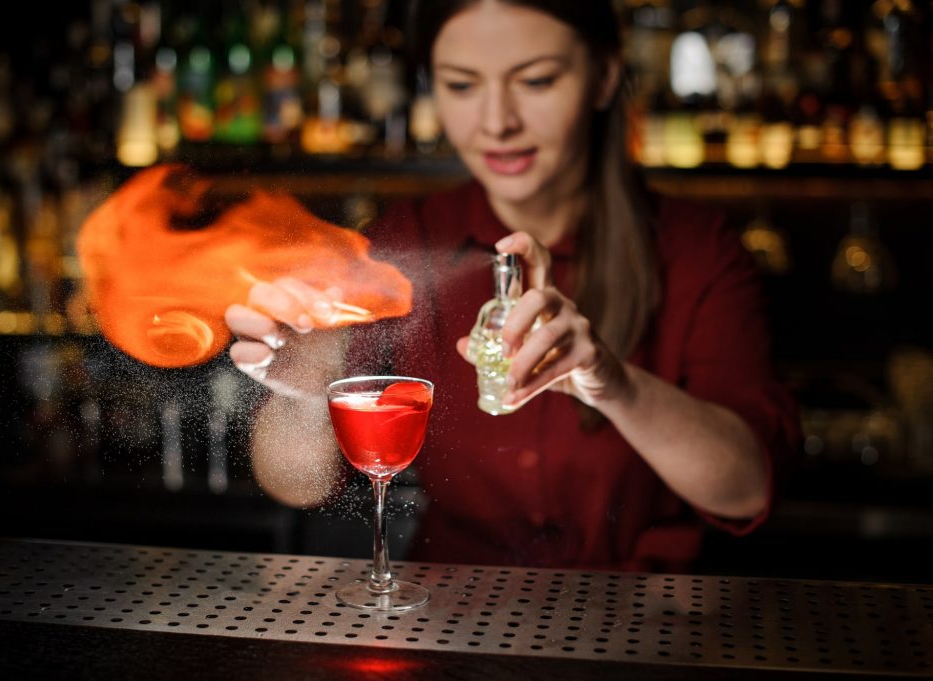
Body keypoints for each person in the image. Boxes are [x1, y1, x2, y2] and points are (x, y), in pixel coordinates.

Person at [225, 0, 800, 572]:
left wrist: (614, 385)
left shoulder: (699, 251)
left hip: (645, 624)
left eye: (537, 80)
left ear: (603, 77)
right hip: (453, 617)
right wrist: (303, 391)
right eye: (461, 85)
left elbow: (746, 489)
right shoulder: (404, 242)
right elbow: (296, 485)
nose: (497, 121)